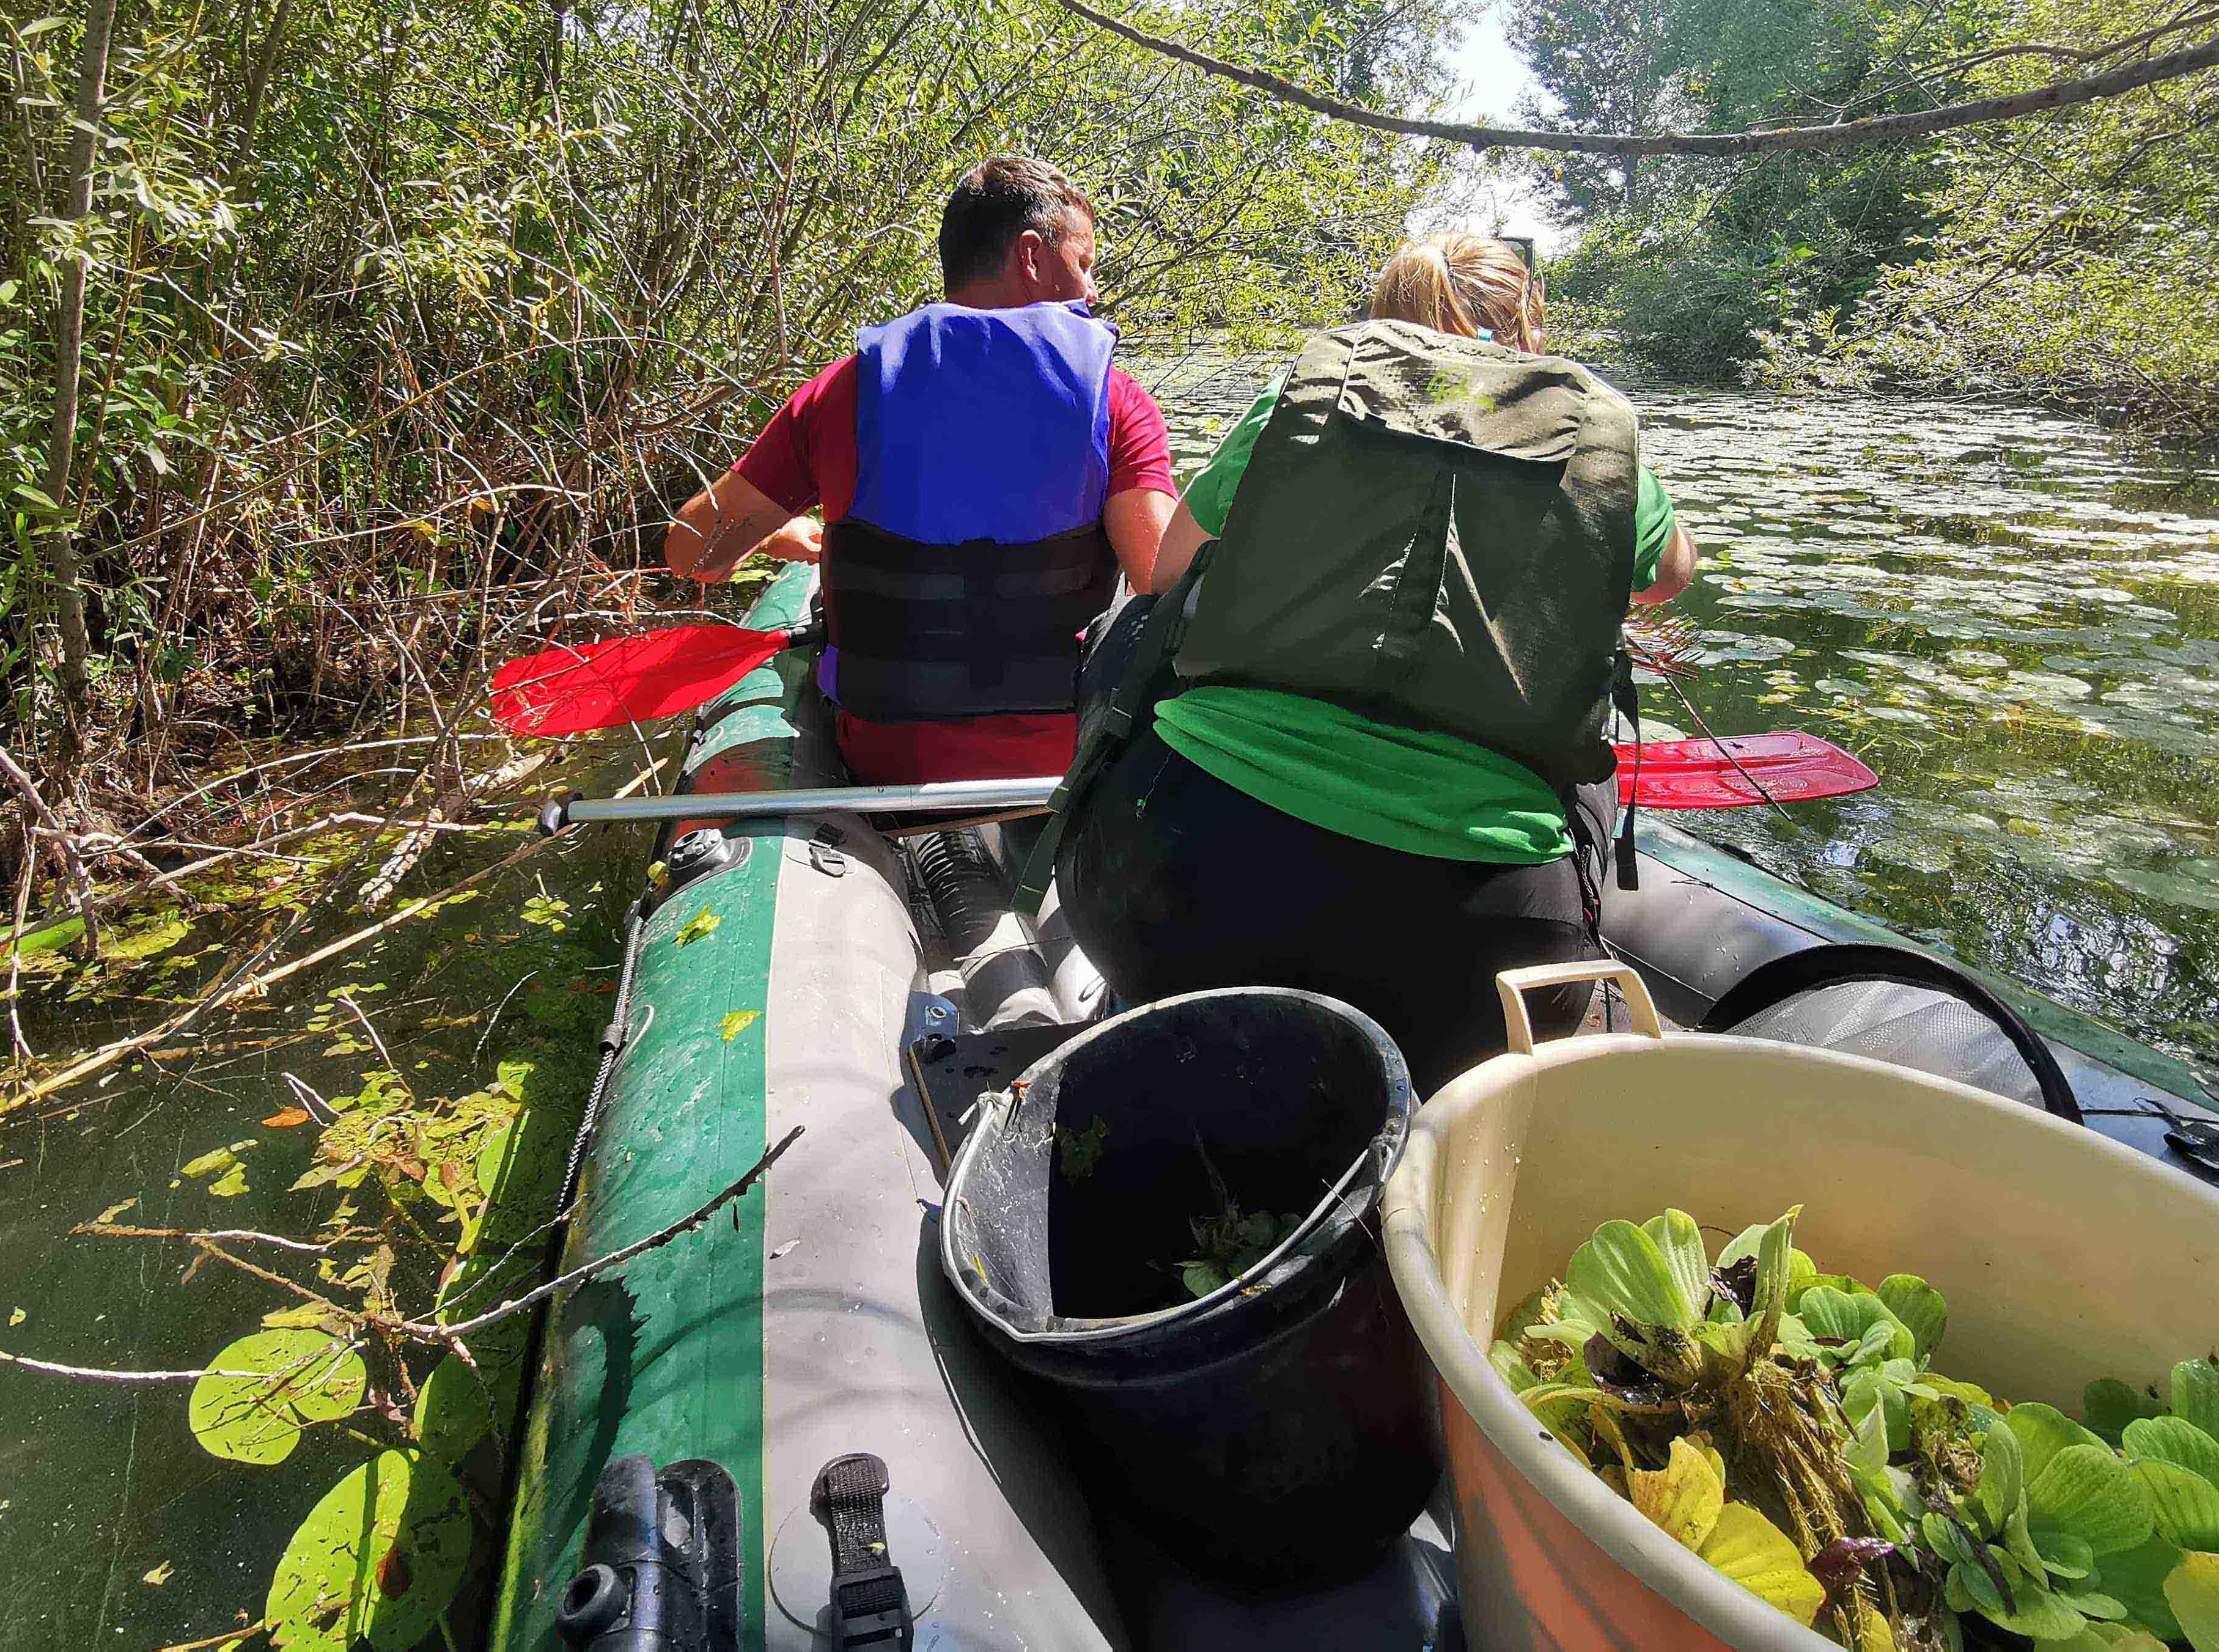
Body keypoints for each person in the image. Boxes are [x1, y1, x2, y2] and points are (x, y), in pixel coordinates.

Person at [1050, 232, 1697, 1092]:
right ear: (1530, 326)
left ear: (1383, 316)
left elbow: (1167, 571)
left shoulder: (1308, 392)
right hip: (1479, 973)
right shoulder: (1603, 435)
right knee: (1592, 716)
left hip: (1179, 899)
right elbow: (1670, 576)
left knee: (1138, 629)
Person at [663, 156, 1177, 781]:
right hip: (1057, 763)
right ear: (1033, 257)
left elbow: (692, 553)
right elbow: (1163, 585)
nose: (1092, 290)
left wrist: (769, 537)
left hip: (885, 759)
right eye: (1086, 264)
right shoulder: (1116, 399)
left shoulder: (842, 391)